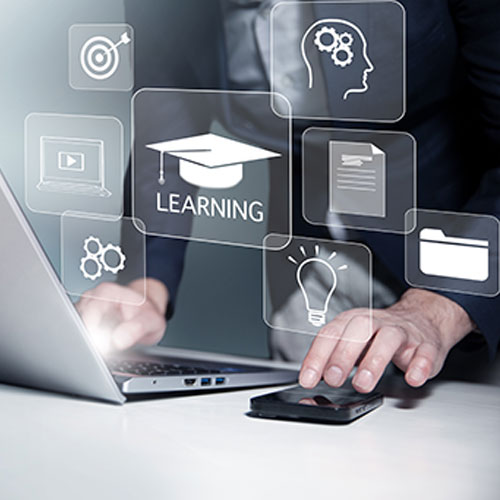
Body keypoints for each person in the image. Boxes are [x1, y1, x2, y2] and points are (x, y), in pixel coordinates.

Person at [77, 0, 500, 394]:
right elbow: (166, 114)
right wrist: (146, 281)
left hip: (461, 240)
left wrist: (443, 301)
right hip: (305, 254)